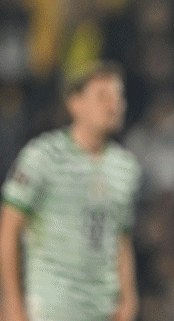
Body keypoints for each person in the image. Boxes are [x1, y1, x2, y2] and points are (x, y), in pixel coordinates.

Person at [0, 61, 142, 321]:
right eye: (102, 96)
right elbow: (9, 230)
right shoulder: (42, 156)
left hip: (102, 309)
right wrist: (12, 303)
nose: (114, 105)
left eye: (118, 96)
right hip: (49, 308)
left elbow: (121, 238)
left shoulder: (125, 167)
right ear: (75, 104)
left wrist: (129, 296)